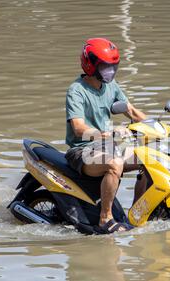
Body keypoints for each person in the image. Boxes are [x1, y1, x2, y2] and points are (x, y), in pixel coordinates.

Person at [65, 38, 147, 233]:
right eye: (105, 67)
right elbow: (78, 128)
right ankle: (105, 218)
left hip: (107, 147)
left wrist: (157, 127)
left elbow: (132, 112)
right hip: (81, 151)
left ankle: (137, 215)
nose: (110, 71)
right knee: (115, 163)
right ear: (91, 65)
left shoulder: (111, 86)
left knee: (148, 160)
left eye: (112, 66)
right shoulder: (77, 91)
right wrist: (107, 133)